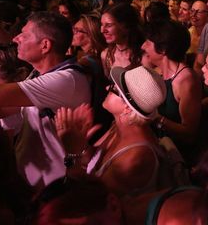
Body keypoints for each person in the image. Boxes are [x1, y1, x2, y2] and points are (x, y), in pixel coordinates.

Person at [0, 12, 91, 190]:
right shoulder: (39, 74)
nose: (16, 38)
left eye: (24, 35)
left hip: (56, 185)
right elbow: (1, 108)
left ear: (45, 45)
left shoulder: (66, 79)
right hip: (36, 181)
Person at [55, 65, 169, 197]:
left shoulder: (135, 158)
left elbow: (89, 200)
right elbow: (92, 162)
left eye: (114, 89)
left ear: (127, 108)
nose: (107, 88)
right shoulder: (119, 126)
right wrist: (82, 143)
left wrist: (72, 153)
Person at [143, 20, 201, 148]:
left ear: (163, 49)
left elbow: (190, 133)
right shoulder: (156, 72)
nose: (142, 47)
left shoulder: (186, 81)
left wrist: (157, 118)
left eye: (147, 43)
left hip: (176, 151)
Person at [100, 2, 145, 77]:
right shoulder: (106, 56)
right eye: (102, 25)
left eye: (109, 25)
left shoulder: (144, 56)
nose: (102, 30)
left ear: (125, 26)